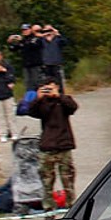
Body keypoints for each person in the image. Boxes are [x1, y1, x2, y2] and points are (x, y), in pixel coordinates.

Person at [29, 78, 79, 207]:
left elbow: (73, 107)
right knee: (47, 182)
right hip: (47, 146)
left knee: (68, 179)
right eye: (46, 88)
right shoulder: (42, 103)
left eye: (50, 88)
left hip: (64, 145)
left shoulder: (63, 100)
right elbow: (30, 111)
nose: (49, 91)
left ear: (56, 87)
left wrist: (58, 96)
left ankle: (71, 206)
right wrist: (38, 98)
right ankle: (49, 209)